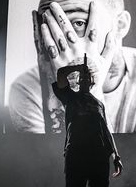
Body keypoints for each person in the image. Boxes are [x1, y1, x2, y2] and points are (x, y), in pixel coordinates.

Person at [8, 0, 136, 134]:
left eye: (78, 22)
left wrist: (87, 91)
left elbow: (110, 159)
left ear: (120, 25)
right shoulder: (26, 89)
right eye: (48, 26)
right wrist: (51, 85)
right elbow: (52, 159)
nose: (59, 37)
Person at [52, 54, 123, 187]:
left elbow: (106, 130)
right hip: (76, 153)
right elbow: (61, 73)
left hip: (99, 155)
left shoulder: (99, 104)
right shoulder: (70, 97)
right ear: (78, 81)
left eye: (87, 77)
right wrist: (79, 67)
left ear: (91, 81)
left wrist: (116, 156)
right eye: (82, 77)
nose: (85, 78)